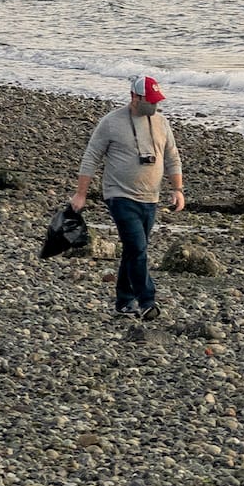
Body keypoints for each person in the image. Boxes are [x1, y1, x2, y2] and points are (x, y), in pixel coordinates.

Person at [72, 75, 185, 321]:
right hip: (119, 194)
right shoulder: (111, 122)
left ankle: (123, 302)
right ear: (134, 97)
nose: (154, 105)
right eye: (149, 101)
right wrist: (81, 194)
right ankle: (147, 301)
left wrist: (178, 189)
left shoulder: (162, 122)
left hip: (150, 198)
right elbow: (91, 156)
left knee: (133, 250)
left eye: (156, 101)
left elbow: (172, 156)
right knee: (137, 247)